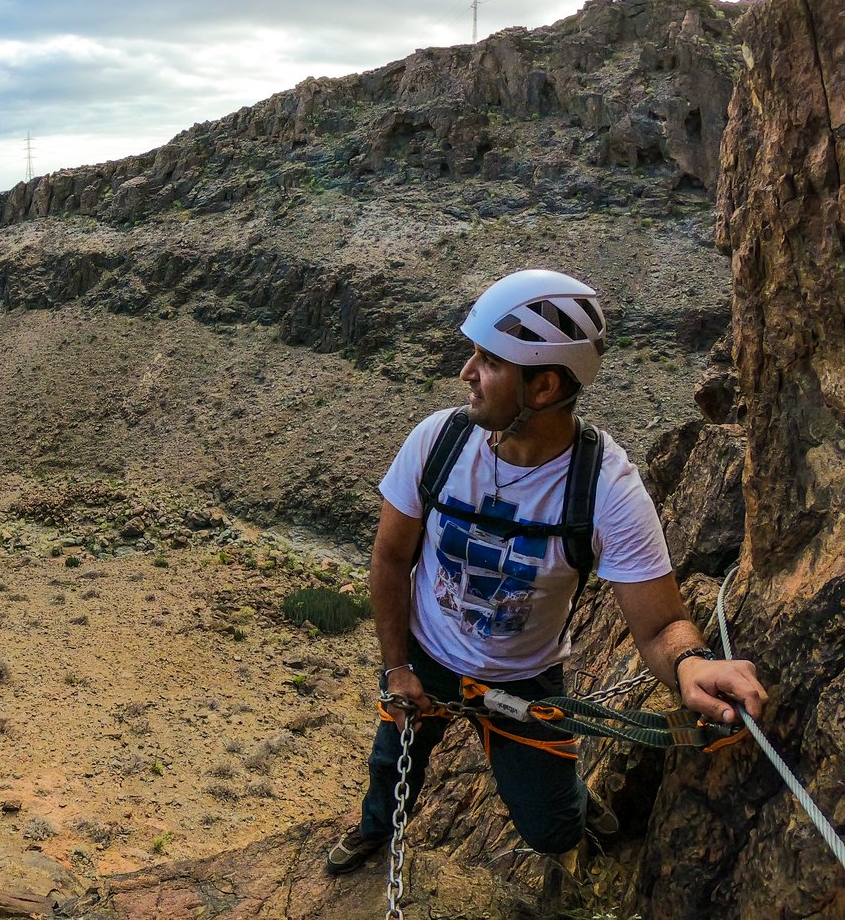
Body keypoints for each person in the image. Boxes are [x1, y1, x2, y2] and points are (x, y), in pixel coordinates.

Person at [326, 268, 768, 874]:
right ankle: (374, 832)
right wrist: (397, 665)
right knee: (391, 764)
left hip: (524, 679)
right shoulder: (437, 443)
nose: (466, 373)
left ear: (541, 387)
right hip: (425, 653)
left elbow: (661, 623)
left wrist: (692, 664)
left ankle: (574, 808)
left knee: (551, 826)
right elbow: (389, 559)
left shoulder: (606, 491)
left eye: (488, 360)